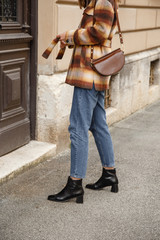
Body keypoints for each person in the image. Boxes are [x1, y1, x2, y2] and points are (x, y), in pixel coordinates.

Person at [48, 0, 119, 204]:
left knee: (78, 128)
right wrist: (70, 39)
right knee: (98, 125)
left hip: (89, 74)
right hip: (94, 73)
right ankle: (109, 173)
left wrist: (69, 35)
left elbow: (99, 33)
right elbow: (93, 35)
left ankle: (75, 184)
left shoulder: (103, 1)